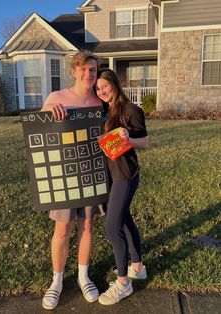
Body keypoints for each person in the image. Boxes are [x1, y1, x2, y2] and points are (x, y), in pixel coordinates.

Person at [41, 50, 102, 310]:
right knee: (63, 229)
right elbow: (39, 129)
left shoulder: (100, 101)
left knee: (87, 225)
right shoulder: (57, 97)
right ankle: (57, 281)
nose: (89, 74)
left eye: (93, 71)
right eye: (84, 69)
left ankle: (82, 275)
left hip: (89, 172)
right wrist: (47, 111)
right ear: (74, 71)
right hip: (64, 174)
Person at [95, 69, 149, 305]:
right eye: (97, 89)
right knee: (124, 220)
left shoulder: (131, 110)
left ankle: (123, 283)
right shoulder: (105, 111)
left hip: (125, 175)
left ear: (114, 84)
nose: (101, 91)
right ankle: (138, 266)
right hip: (112, 174)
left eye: (104, 86)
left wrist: (128, 139)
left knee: (111, 225)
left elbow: (145, 142)